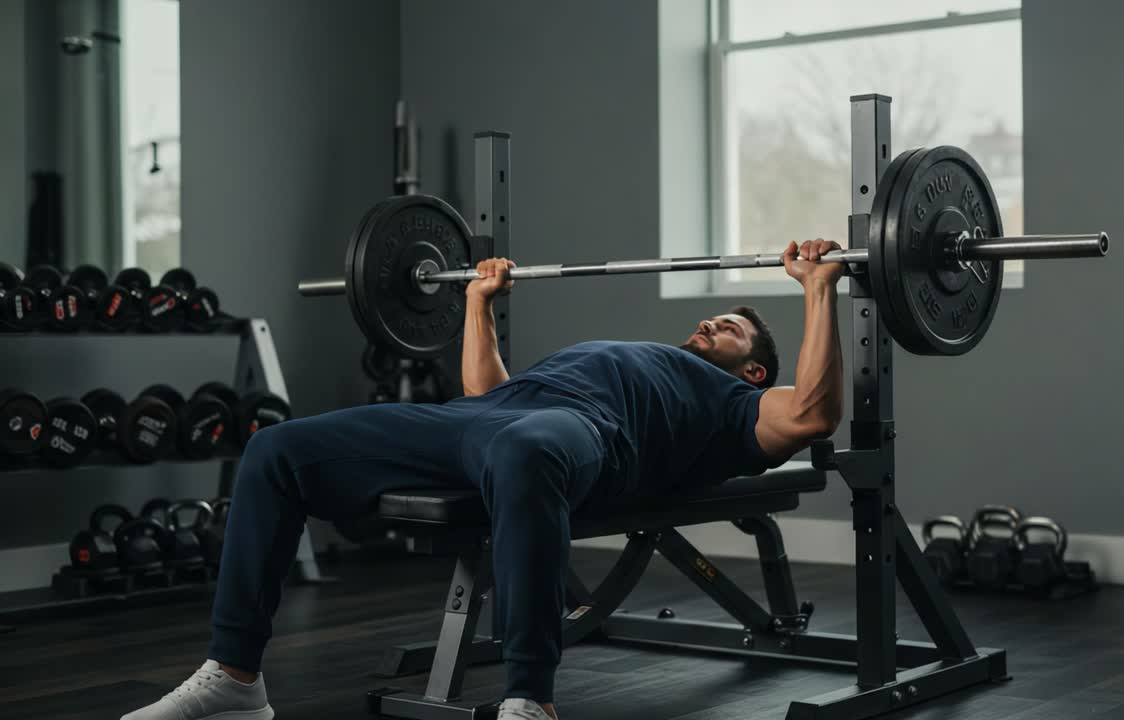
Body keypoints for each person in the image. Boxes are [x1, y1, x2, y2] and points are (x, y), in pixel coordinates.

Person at [121, 239, 846, 720]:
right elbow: (483, 386)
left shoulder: (735, 403)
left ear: (755, 369)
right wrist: (475, 301)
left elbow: (811, 417)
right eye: (714, 316)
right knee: (277, 449)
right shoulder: (634, 351)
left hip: (580, 435)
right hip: (486, 415)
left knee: (526, 450)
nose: (713, 323)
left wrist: (819, 288)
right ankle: (236, 678)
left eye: (733, 328)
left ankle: (529, 699)